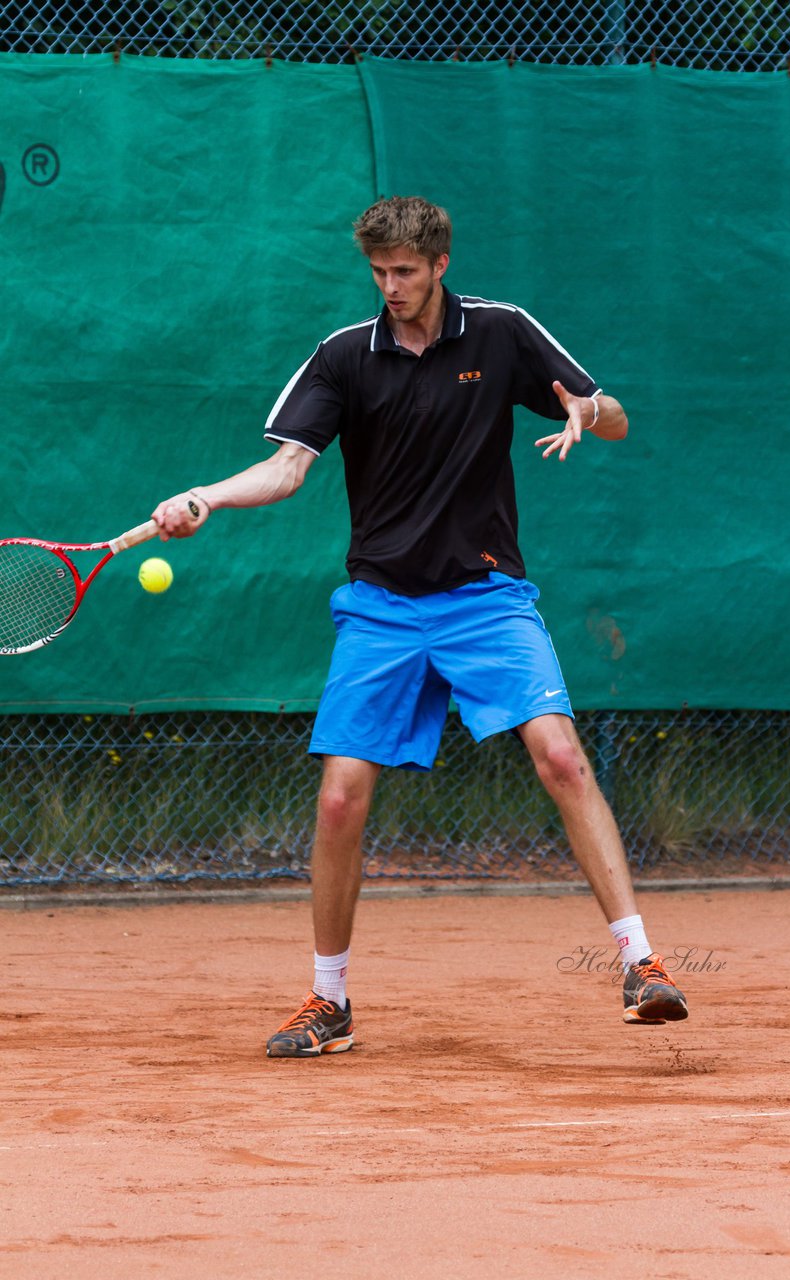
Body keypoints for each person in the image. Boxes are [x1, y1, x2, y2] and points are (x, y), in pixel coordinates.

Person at [153, 196, 688, 1057]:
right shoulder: (343, 356)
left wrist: (593, 411)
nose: (391, 287)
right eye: (379, 273)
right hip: (383, 606)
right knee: (338, 799)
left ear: (440, 265)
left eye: (405, 271)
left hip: (485, 597)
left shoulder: (502, 331)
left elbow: (611, 415)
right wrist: (207, 497)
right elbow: (289, 467)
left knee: (560, 754)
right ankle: (329, 1003)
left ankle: (643, 966)